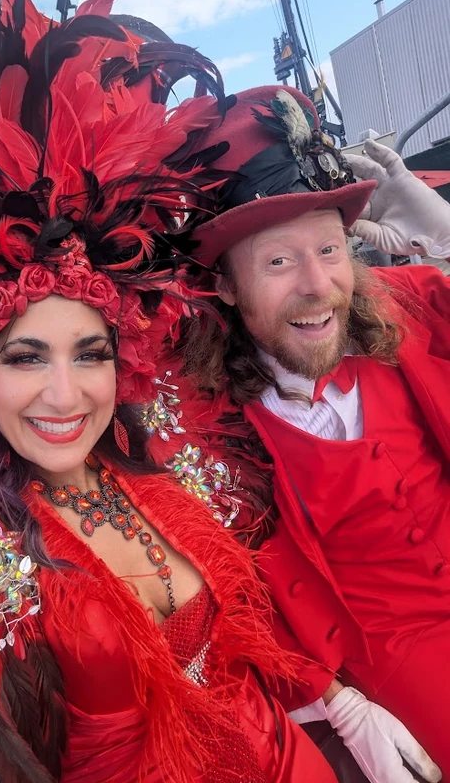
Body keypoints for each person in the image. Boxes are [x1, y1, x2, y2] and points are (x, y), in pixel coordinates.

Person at [0, 0, 339, 782]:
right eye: (25, 358)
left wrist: (339, 698)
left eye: (89, 354)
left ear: (124, 362)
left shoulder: (161, 461)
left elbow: (288, 315)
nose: (66, 395)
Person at [148, 86, 449, 783]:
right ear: (225, 286)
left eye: (330, 248)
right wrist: (332, 699)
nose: (318, 285)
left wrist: (447, 238)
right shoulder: (203, 426)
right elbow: (230, 590)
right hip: (400, 654)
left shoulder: (407, 305)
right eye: (279, 262)